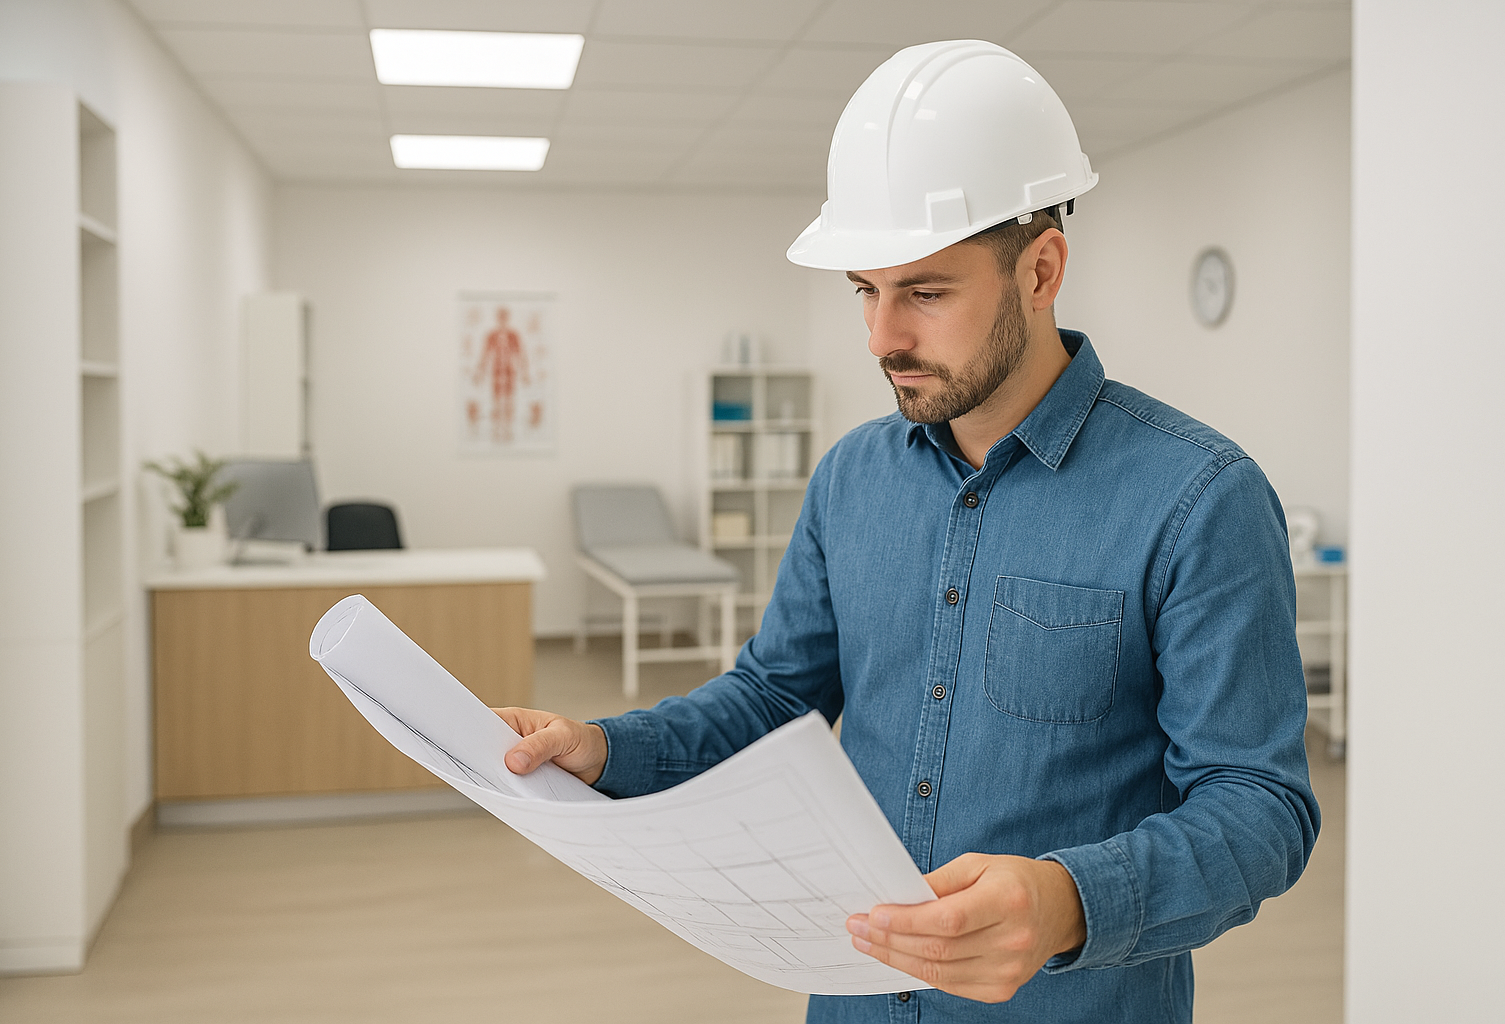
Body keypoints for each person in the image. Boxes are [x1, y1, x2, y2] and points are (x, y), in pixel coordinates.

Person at [498, 40, 1318, 1023]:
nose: (884, 336)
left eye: (926, 292)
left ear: (1041, 269)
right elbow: (774, 695)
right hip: (854, 1001)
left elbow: (1259, 810)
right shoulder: (851, 477)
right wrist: (604, 746)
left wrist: (1068, 902)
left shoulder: (1199, 499)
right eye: (865, 290)